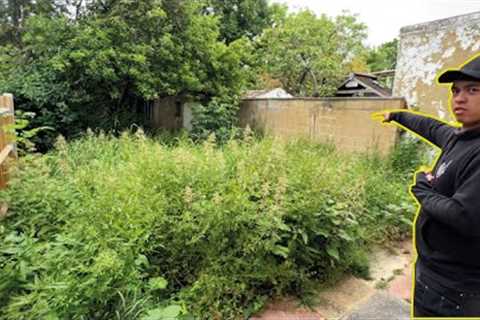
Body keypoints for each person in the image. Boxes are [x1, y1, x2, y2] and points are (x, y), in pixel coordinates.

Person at [372, 54, 480, 318]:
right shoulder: (462, 137)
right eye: (456, 91)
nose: (459, 98)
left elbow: (464, 216)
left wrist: (421, 188)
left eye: (473, 90)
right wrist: (397, 115)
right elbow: (431, 127)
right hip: (435, 277)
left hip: (455, 292)